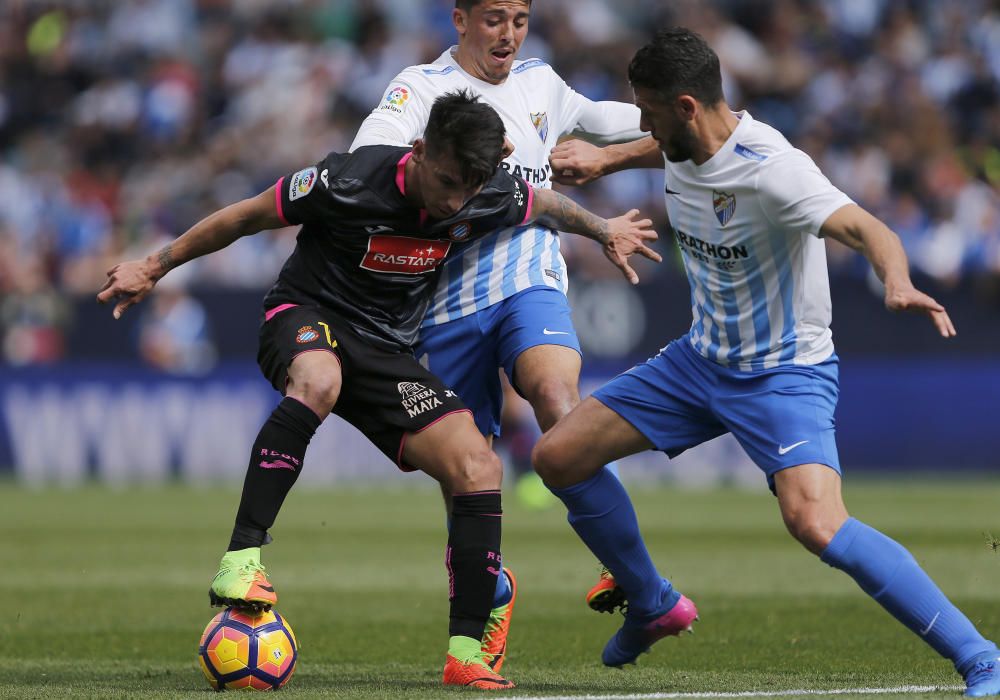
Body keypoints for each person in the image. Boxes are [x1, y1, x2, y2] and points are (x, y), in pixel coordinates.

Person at [97, 90, 657, 691]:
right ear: (418, 152)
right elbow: (244, 216)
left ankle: (466, 652)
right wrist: (154, 266)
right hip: (305, 314)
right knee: (319, 379)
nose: (454, 200)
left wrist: (604, 229)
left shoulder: (479, 190)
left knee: (477, 465)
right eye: (446, 181)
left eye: (468, 186)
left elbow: (544, 202)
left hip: (386, 353)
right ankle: (241, 562)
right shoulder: (343, 181)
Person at [534, 28, 1000, 697]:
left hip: (783, 372)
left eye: (650, 113)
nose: (642, 126)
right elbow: (661, 147)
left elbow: (872, 229)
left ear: (687, 107)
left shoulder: (774, 170)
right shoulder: (683, 138)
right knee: (557, 458)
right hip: (699, 361)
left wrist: (894, 279)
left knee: (815, 522)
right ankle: (651, 602)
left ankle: (980, 655)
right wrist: (607, 162)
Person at [350, 0, 652, 666]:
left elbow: (610, 119)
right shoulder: (420, 89)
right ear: (459, 19)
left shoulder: (542, 83)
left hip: (528, 277)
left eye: (519, 18)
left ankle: (620, 564)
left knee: (555, 399)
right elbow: (368, 154)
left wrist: (690, 115)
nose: (508, 34)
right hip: (443, 300)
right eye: (493, 19)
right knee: (464, 471)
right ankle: (489, 590)